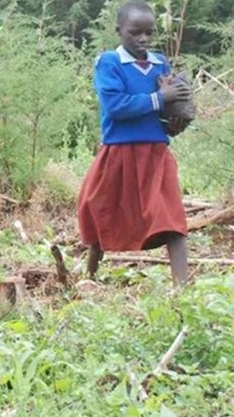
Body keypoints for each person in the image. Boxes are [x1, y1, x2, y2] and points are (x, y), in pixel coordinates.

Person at [79, 1, 191, 285]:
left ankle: (184, 290)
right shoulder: (109, 62)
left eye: (149, 33)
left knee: (171, 216)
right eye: (134, 32)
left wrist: (177, 113)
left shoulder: (159, 63)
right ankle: (89, 278)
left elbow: (170, 107)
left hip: (155, 152)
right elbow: (115, 106)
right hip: (118, 151)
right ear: (119, 31)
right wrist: (160, 99)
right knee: (100, 208)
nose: (143, 39)